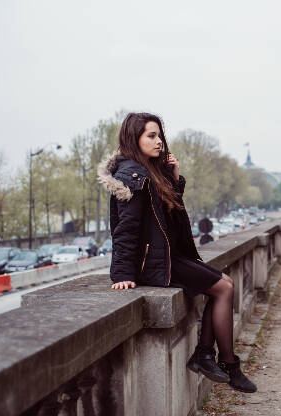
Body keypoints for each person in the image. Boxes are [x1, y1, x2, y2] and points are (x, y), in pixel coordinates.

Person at [97, 112, 256, 393]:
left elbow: (171, 217)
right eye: (151, 135)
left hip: (168, 255)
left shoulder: (149, 171)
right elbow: (125, 229)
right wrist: (122, 273)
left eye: (159, 135)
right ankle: (226, 364)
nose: (159, 142)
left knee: (226, 285)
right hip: (153, 262)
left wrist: (174, 178)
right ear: (134, 138)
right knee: (222, 288)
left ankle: (206, 355)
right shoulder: (132, 176)